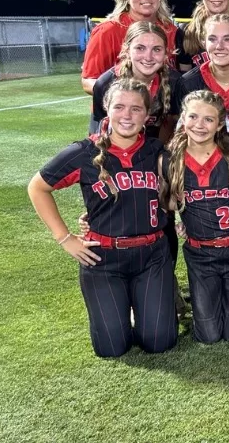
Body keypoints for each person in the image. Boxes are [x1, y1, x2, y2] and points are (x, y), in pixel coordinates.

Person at [27, 78, 177, 357]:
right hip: (103, 259)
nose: (127, 115)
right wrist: (65, 238)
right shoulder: (84, 152)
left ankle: (144, 310)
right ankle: (123, 312)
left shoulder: (157, 151)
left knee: (159, 342)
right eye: (119, 107)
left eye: (136, 109)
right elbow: (37, 187)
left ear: (147, 114)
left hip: (152, 254)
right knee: (112, 348)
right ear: (106, 108)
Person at [165, 90, 229, 343]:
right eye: (193, 117)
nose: (200, 125)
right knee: (209, 335)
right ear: (183, 118)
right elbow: (167, 202)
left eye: (208, 119)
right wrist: (181, 222)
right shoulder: (170, 160)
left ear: (219, 125)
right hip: (200, 254)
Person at [81, 0, 178, 95]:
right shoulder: (107, 31)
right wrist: (125, 98)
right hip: (118, 113)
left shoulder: (171, 30)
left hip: (162, 112)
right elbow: (88, 81)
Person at [91, 21, 177, 140]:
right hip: (116, 151)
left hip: (157, 150)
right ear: (127, 49)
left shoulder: (175, 82)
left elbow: (171, 128)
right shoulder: (106, 83)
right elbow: (99, 129)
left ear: (166, 53)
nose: (148, 57)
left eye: (157, 49)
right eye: (140, 48)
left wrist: (158, 153)